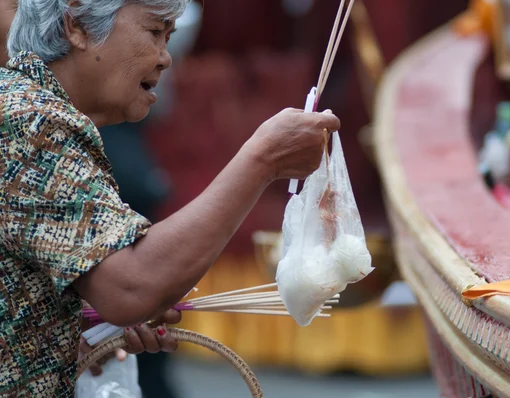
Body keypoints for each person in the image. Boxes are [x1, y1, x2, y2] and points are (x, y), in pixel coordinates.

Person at [0, 1, 341, 397]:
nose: (165, 59)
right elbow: (131, 288)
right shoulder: (28, 120)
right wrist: (261, 161)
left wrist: (75, 325)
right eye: (153, 32)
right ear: (76, 26)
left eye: (169, 38)